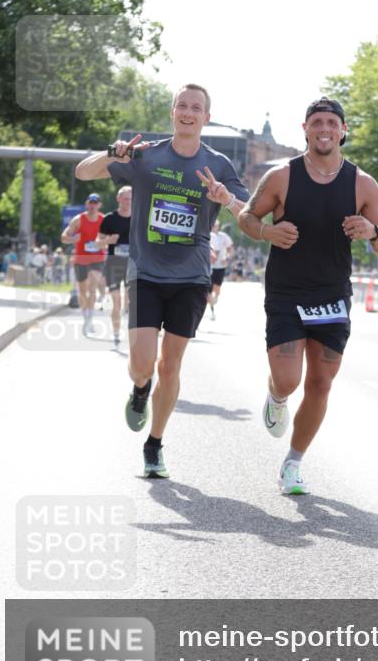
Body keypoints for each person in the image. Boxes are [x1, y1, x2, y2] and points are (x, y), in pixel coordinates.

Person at [75, 83, 249, 479]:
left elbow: (248, 213)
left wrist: (226, 198)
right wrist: (111, 153)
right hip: (147, 272)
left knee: (170, 366)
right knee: (141, 365)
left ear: (206, 116)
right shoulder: (147, 156)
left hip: (191, 276)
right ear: (172, 112)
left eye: (197, 107)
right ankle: (140, 391)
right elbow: (82, 172)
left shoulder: (219, 164)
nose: (188, 112)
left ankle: (154, 445)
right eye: (182, 106)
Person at [238, 96, 378, 495]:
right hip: (287, 290)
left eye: (332, 122)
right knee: (290, 380)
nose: (324, 128)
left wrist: (373, 232)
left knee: (321, 384)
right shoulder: (281, 177)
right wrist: (267, 232)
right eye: (316, 122)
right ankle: (276, 395)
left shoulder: (362, 183)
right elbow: (246, 216)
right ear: (305, 129)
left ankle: (293, 462)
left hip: (332, 293)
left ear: (343, 130)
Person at [61, 194, 106, 334]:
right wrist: (74, 239)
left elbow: (111, 238)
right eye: (90, 203)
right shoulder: (78, 220)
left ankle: (89, 320)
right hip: (80, 259)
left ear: (99, 205)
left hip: (97, 259)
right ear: (87, 204)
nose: (92, 205)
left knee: (92, 288)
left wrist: (103, 242)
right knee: (82, 291)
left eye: (95, 203)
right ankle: (85, 316)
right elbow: (63, 237)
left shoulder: (104, 220)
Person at [98, 185, 133, 346]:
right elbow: (97, 244)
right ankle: (116, 332)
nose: (128, 202)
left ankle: (131, 328)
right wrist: (107, 241)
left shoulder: (138, 218)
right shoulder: (109, 219)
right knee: (116, 301)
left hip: (132, 265)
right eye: (125, 198)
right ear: (118, 199)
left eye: (131, 199)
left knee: (129, 300)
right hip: (113, 264)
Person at [207, 219, 234, 319]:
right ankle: (212, 310)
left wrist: (227, 257)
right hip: (209, 268)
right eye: (213, 225)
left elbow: (231, 248)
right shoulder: (208, 235)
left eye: (216, 225)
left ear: (218, 226)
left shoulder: (223, 237)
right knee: (208, 291)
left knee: (217, 289)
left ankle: (214, 300)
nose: (214, 226)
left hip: (220, 266)